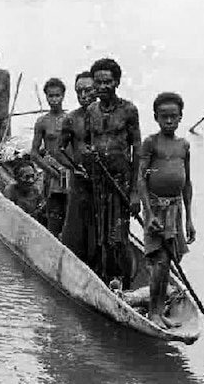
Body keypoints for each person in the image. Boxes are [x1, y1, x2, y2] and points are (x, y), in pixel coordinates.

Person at [139, 92, 196, 330]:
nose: (169, 121)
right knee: (159, 262)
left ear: (181, 117)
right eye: (164, 117)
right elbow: (141, 180)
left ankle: (160, 311)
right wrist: (148, 214)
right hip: (155, 208)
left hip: (176, 209)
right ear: (156, 118)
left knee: (170, 260)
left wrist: (189, 220)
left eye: (174, 116)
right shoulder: (151, 143)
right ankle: (153, 312)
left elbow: (187, 183)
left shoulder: (184, 145)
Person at [84, 58, 141, 289]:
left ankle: (125, 283)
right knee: (103, 237)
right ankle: (109, 280)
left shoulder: (129, 110)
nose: (103, 87)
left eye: (108, 82)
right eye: (98, 82)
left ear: (116, 82)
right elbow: (90, 142)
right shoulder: (91, 110)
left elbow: (137, 149)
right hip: (99, 181)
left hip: (121, 182)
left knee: (119, 236)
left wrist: (135, 190)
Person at [58, 71, 97, 262]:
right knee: (75, 226)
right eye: (79, 91)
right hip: (80, 182)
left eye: (88, 90)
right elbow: (59, 150)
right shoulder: (72, 119)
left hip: (102, 184)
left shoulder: (108, 118)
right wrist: (73, 167)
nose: (83, 95)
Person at [30, 77, 68, 236]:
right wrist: (51, 171)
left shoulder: (69, 119)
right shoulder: (43, 122)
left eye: (57, 96)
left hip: (67, 172)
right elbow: (34, 153)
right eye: (50, 96)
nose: (54, 100)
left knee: (69, 211)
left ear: (63, 96)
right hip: (51, 172)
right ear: (46, 96)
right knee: (53, 211)